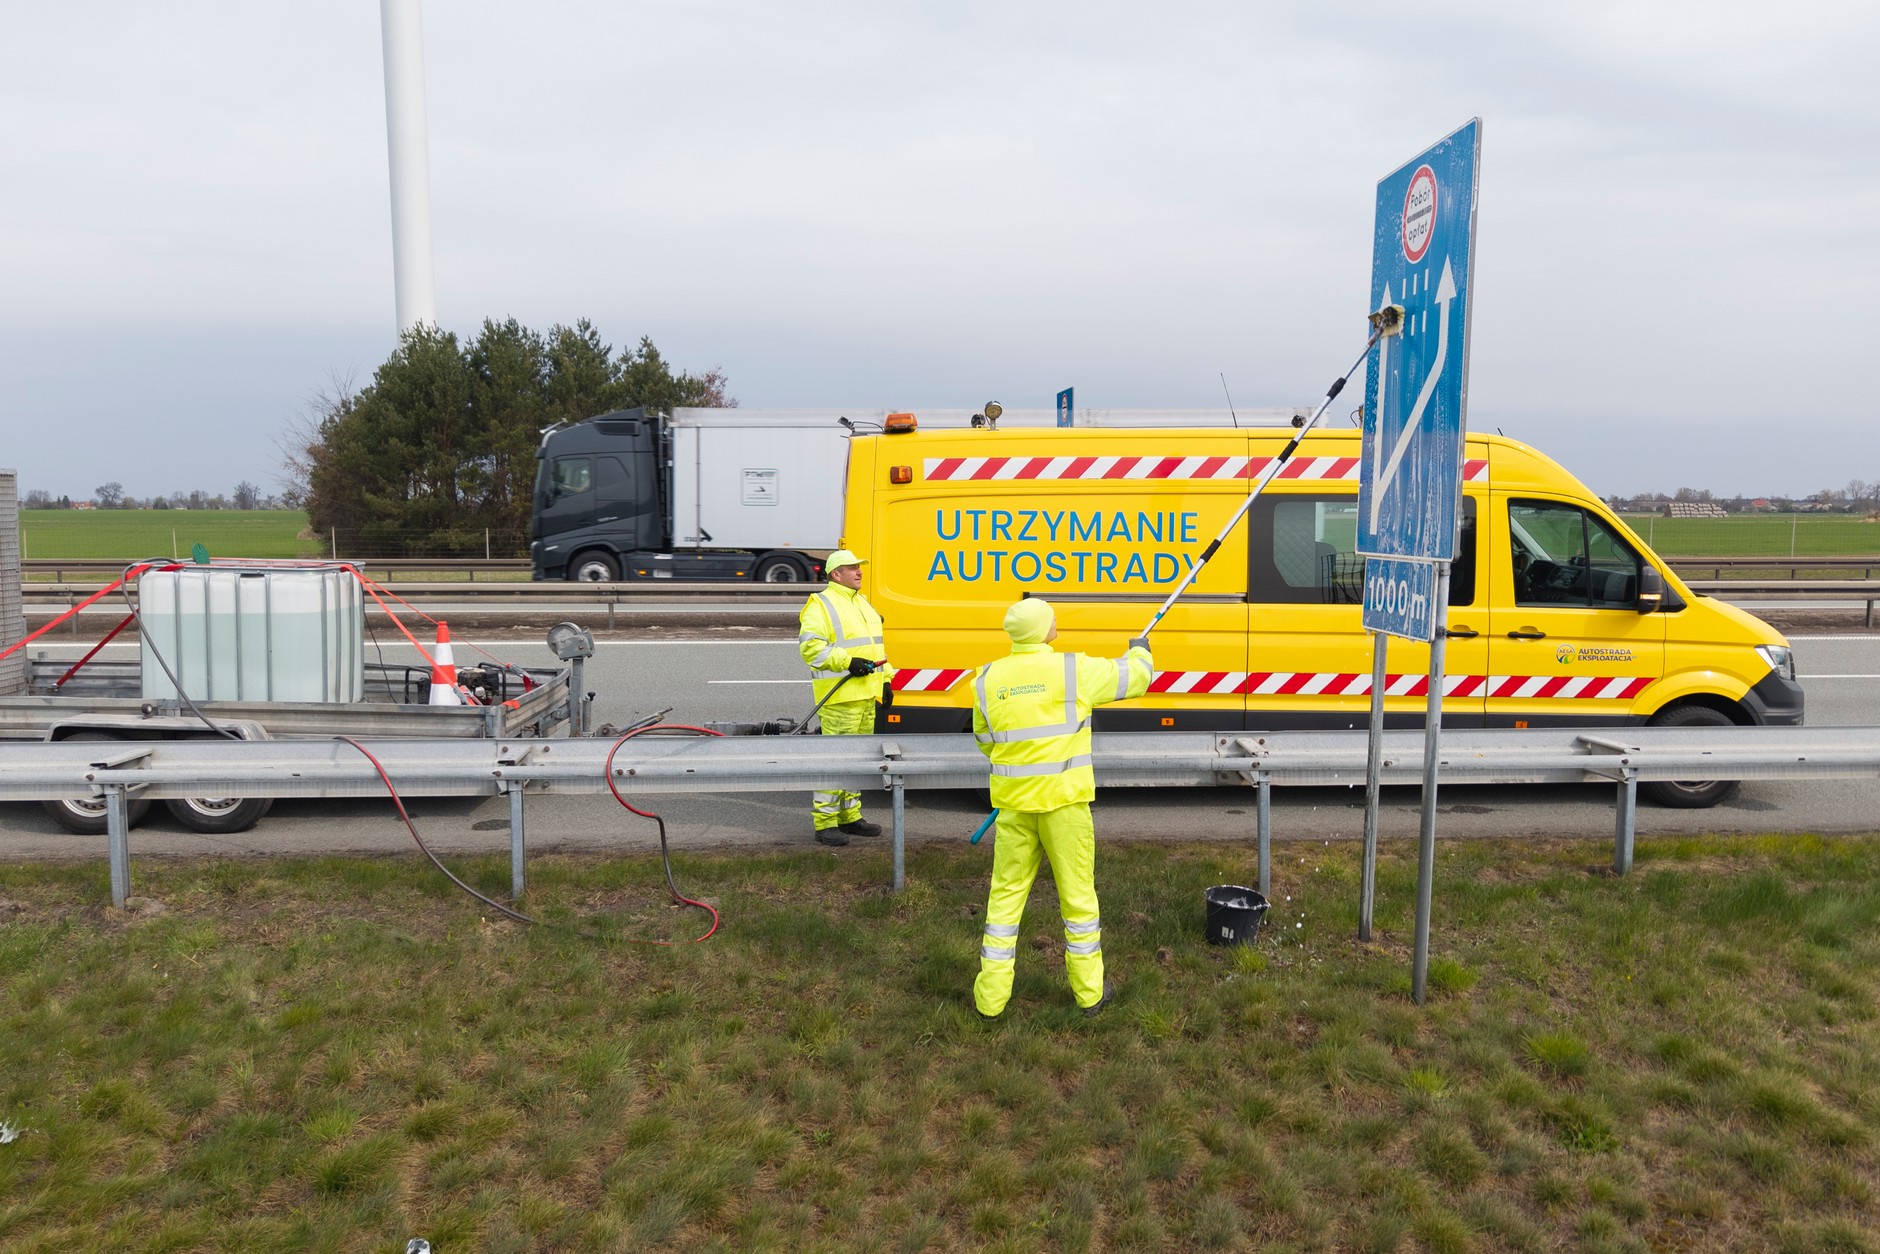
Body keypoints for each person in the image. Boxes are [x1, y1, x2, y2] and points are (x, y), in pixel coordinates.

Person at [970, 597, 1151, 1018]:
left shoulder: (985, 678)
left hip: (1014, 808)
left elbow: (985, 739)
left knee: (1004, 900)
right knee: (1078, 898)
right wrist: (1140, 647)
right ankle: (1089, 995)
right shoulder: (1074, 670)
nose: (1057, 621)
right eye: (1052, 617)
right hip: (1064, 807)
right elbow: (1137, 679)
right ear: (1042, 629)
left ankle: (990, 1001)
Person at [798, 549, 894, 846]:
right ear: (835, 574)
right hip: (840, 697)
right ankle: (825, 822)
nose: (859, 572)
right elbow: (811, 649)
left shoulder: (861, 602)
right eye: (851, 568)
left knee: (856, 760)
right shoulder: (821, 604)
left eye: (859, 567)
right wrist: (846, 661)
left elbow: (876, 648)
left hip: (866, 695)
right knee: (835, 760)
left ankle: (849, 816)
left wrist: (887, 679)